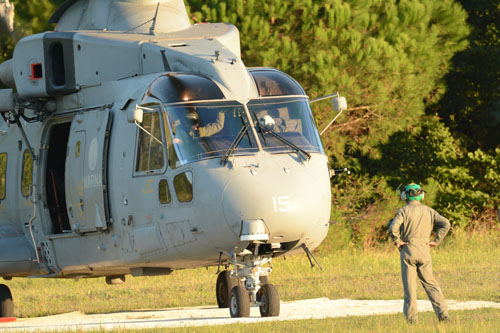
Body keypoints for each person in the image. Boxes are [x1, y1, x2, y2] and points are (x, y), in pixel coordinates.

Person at [389, 183, 451, 323]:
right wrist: (436, 240)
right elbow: (446, 223)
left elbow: (393, 228)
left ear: (405, 195)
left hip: (408, 251)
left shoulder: (403, 211)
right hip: (424, 250)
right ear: (421, 195)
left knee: (410, 289)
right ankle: (443, 315)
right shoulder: (429, 211)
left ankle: (412, 321)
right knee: (431, 285)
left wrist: (397, 241)